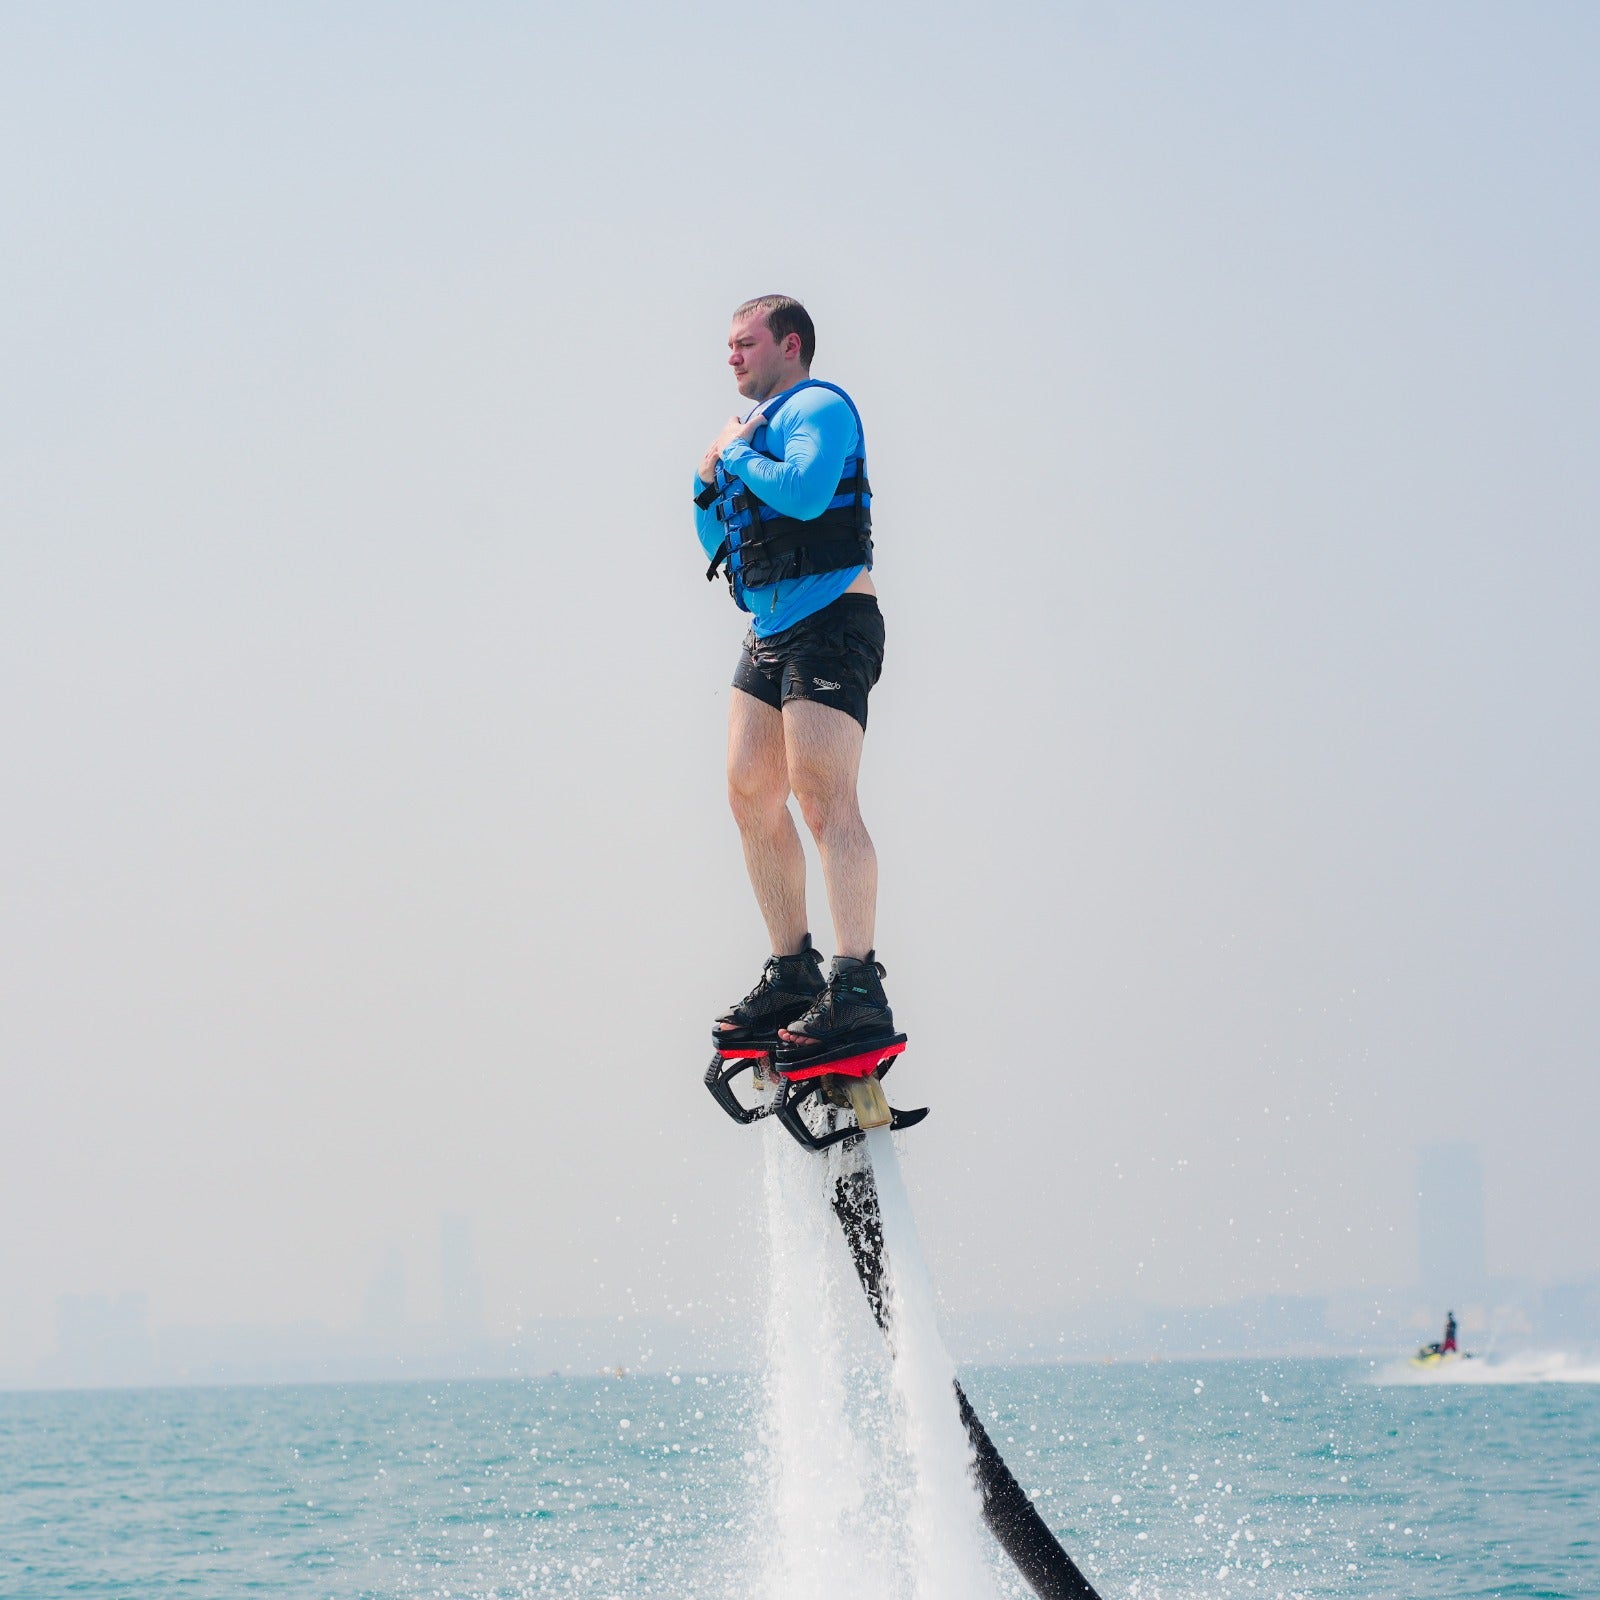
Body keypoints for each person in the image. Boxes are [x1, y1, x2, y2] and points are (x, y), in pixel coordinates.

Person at [693, 295, 895, 1068]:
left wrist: (737, 454)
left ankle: (856, 984)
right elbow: (717, 541)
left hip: (834, 620)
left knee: (821, 798)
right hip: (770, 631)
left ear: (790, 345)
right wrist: (707, 481)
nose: (732, 355)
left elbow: (807, 494)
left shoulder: (818, 407)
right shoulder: (748, 432)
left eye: (746, 342)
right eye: (729, 345)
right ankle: (791, 972)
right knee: (749, 790)